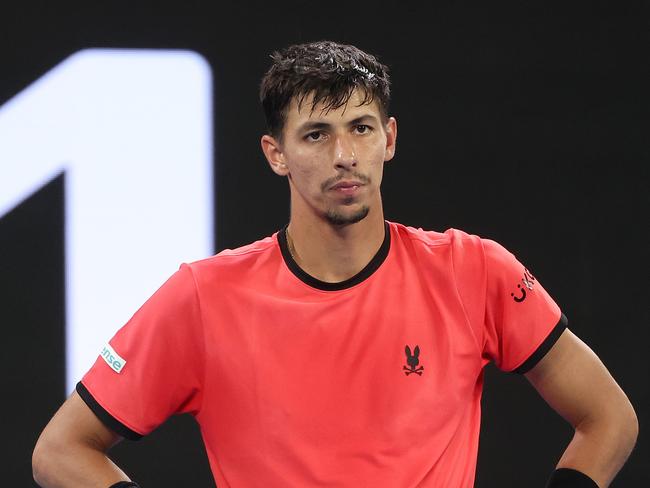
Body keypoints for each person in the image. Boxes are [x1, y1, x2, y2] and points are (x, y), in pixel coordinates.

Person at [33, 41, 637, 488]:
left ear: (390, 139)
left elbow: (609, 417)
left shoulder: (473, 270)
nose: (346, 155)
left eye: (361, 128)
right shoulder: (203, 295)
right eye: (317, 135)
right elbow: (61, 451)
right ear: (277, 154)